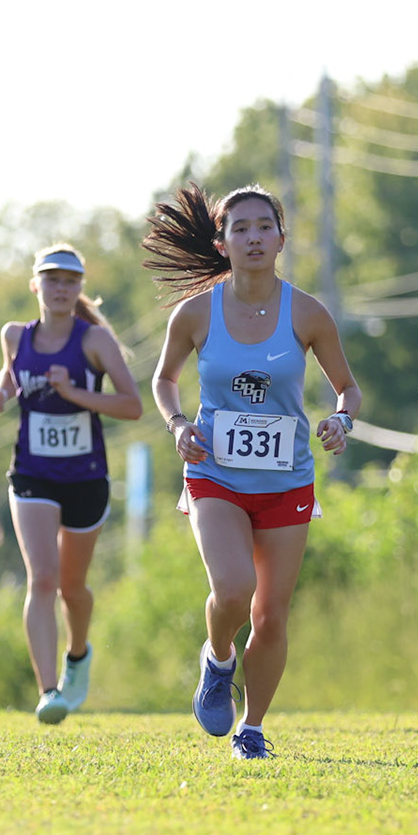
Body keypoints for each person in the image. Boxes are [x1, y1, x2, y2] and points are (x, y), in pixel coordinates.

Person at [144, 183, 362, 759]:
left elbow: (348, 388)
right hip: (214, 474)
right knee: (235, 590)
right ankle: (218, 660)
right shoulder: (196, 313)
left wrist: (343, 421)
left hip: (287, 480)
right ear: (223, 242)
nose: (254, 237)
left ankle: (253, 727)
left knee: (269, 613)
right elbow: (163, 380)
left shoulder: (308, 313)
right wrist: (178, 424)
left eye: (264, 226)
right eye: (240, 228)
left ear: (282, 238)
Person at [0, 243, 142, 723]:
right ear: (36, 286)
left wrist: (74, 393)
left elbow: (132, 406)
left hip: (86, 478)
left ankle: (78, 656)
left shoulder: (94, 342)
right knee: (43, 579)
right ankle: (49, 690)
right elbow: (11, 383)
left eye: (70, 282)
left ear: (80, 289)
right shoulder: (14, 335)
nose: (61, 289)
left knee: (73, 588)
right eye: (52, 280)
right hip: (32, 473)